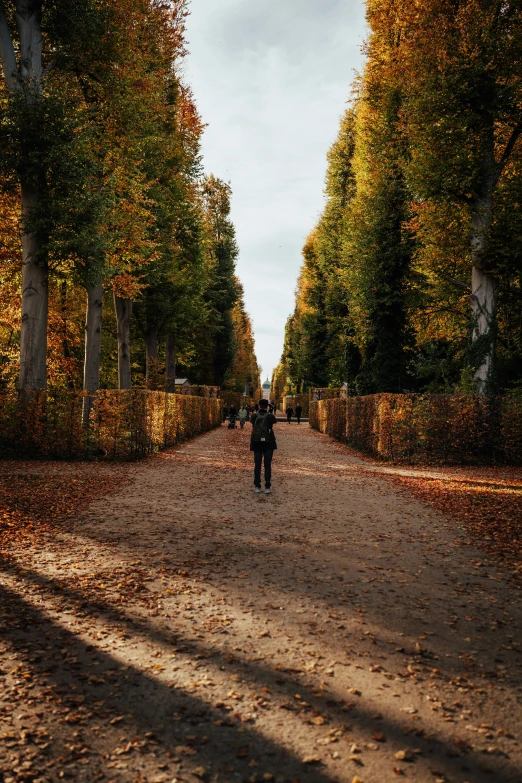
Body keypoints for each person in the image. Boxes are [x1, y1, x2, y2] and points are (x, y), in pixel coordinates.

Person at [250, 399, 277, 494]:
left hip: (257, 443)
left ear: (258, 405)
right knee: (267, 465)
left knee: (257, 465)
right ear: (267, 406)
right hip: (268, 443)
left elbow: (252, 424)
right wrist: (271, 410)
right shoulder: (270, 416)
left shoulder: (254, 416)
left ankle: (257, 485)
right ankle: (267, 486)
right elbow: (275, 421)